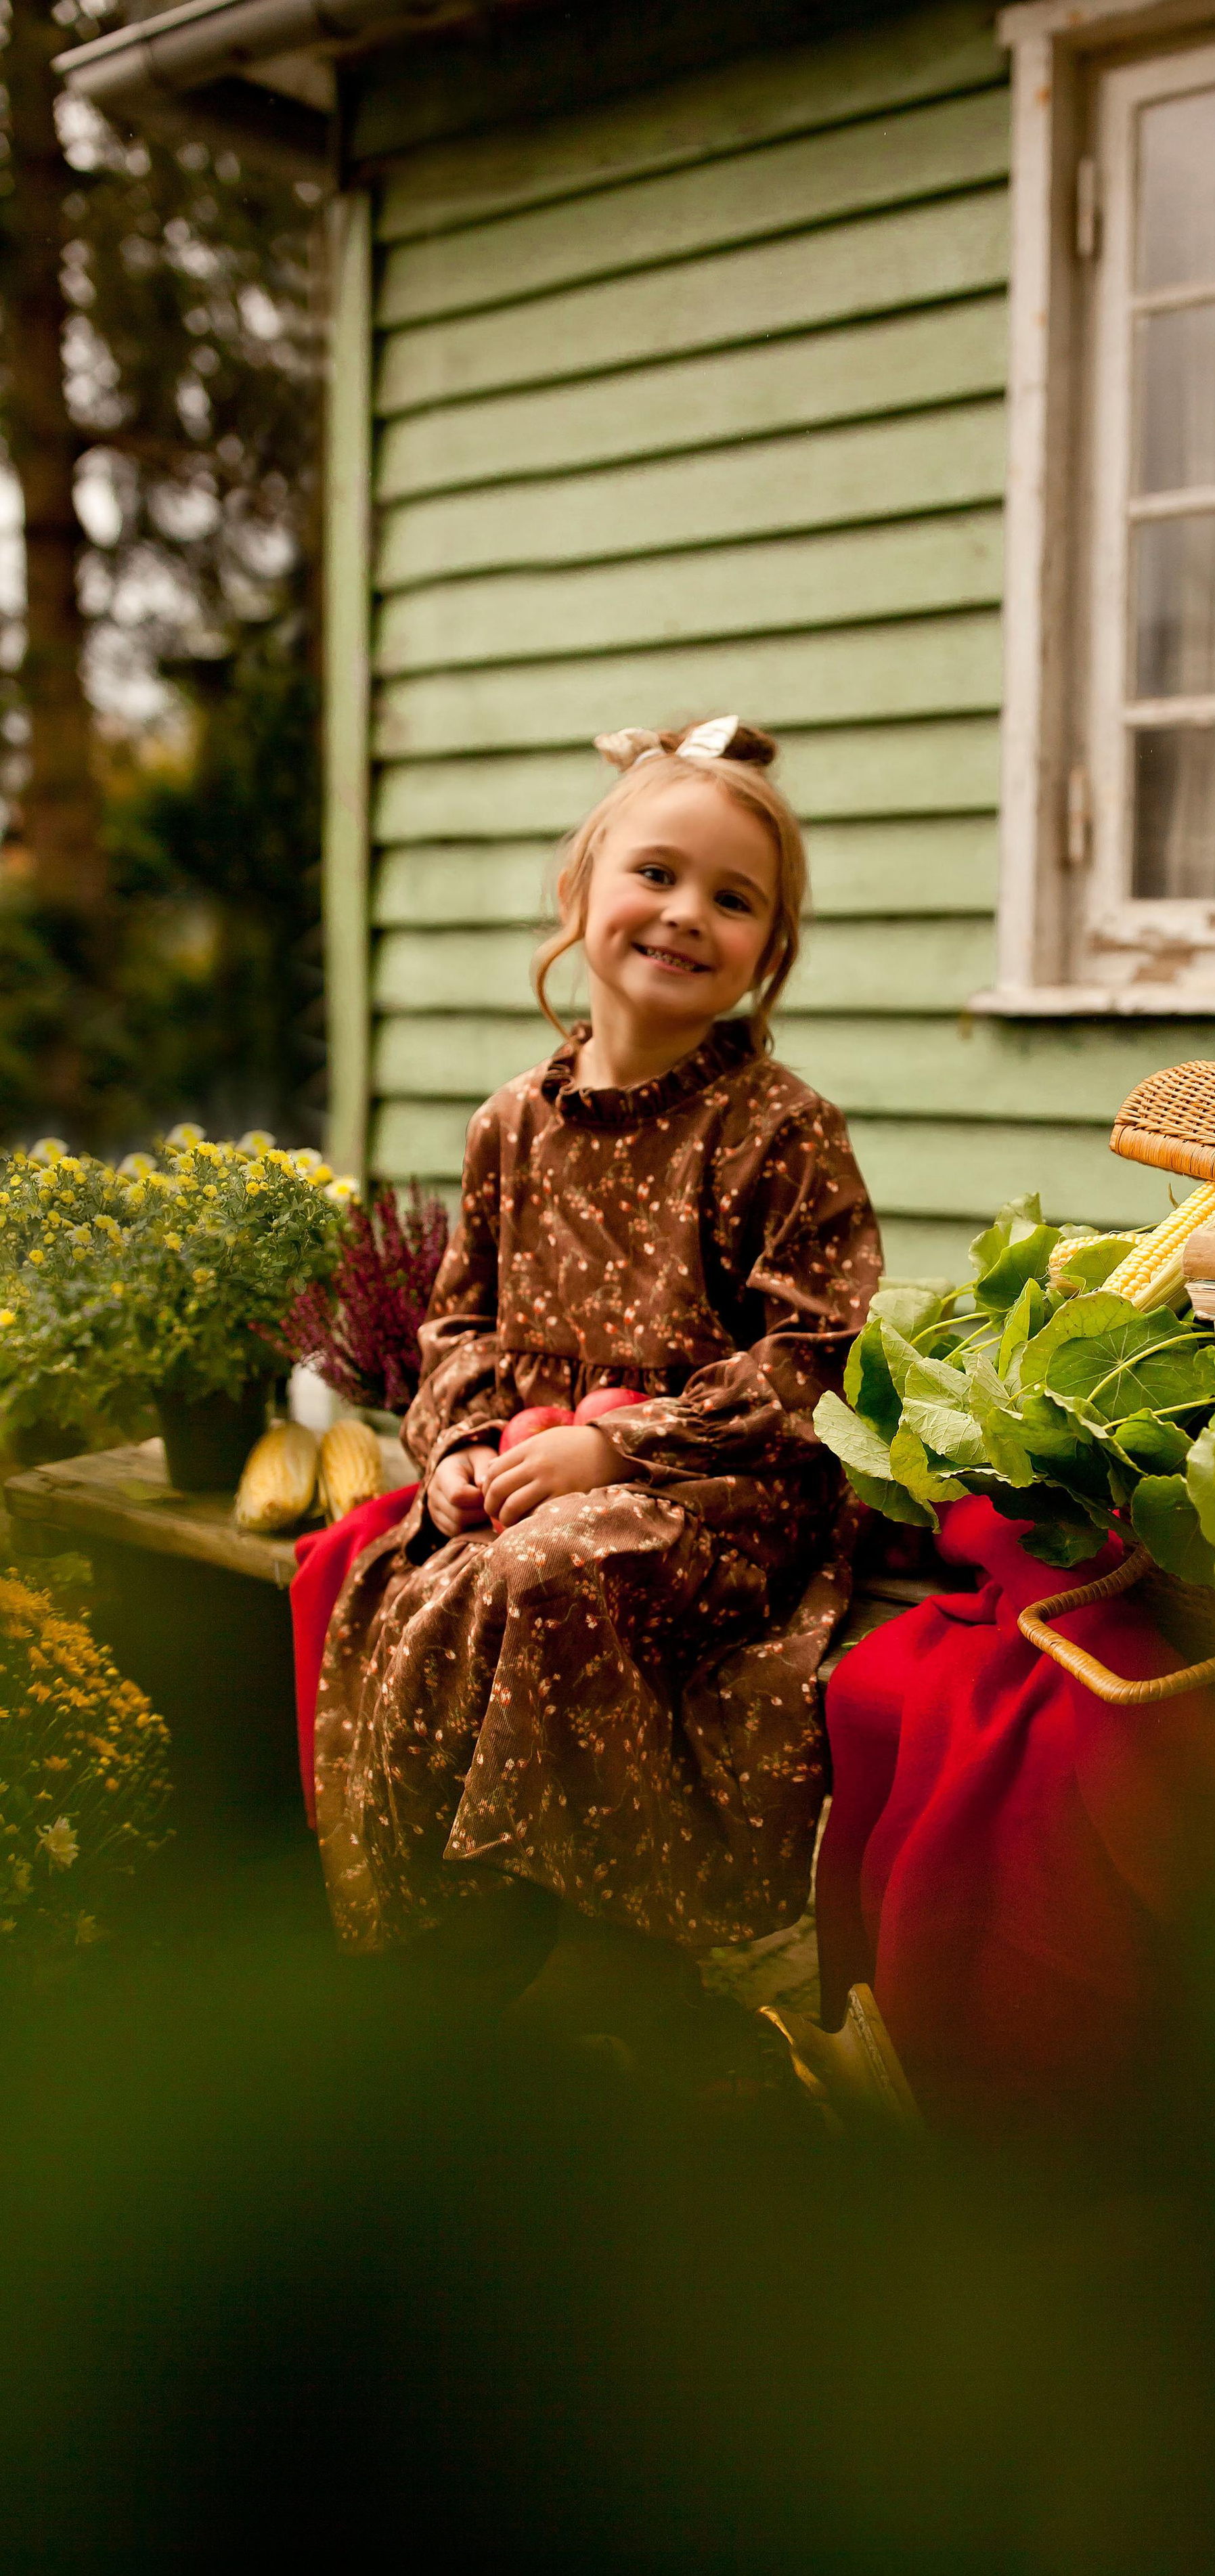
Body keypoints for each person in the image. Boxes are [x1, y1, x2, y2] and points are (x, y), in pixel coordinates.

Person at [312, 717, 883, 2038]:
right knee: (405, 1579)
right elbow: (458, 1322)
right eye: (657, 874)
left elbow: (816, 1353)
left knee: (547, 1569)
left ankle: (642, 1942)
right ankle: (452, 1932)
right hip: (539, 1458)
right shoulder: (511, 1123)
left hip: (721, 1488)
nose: (686, 914)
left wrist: (622, 1446)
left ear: (768, 950)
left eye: (733, 899)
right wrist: (461, 1446)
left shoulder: (776, 1128)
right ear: (581, 893)